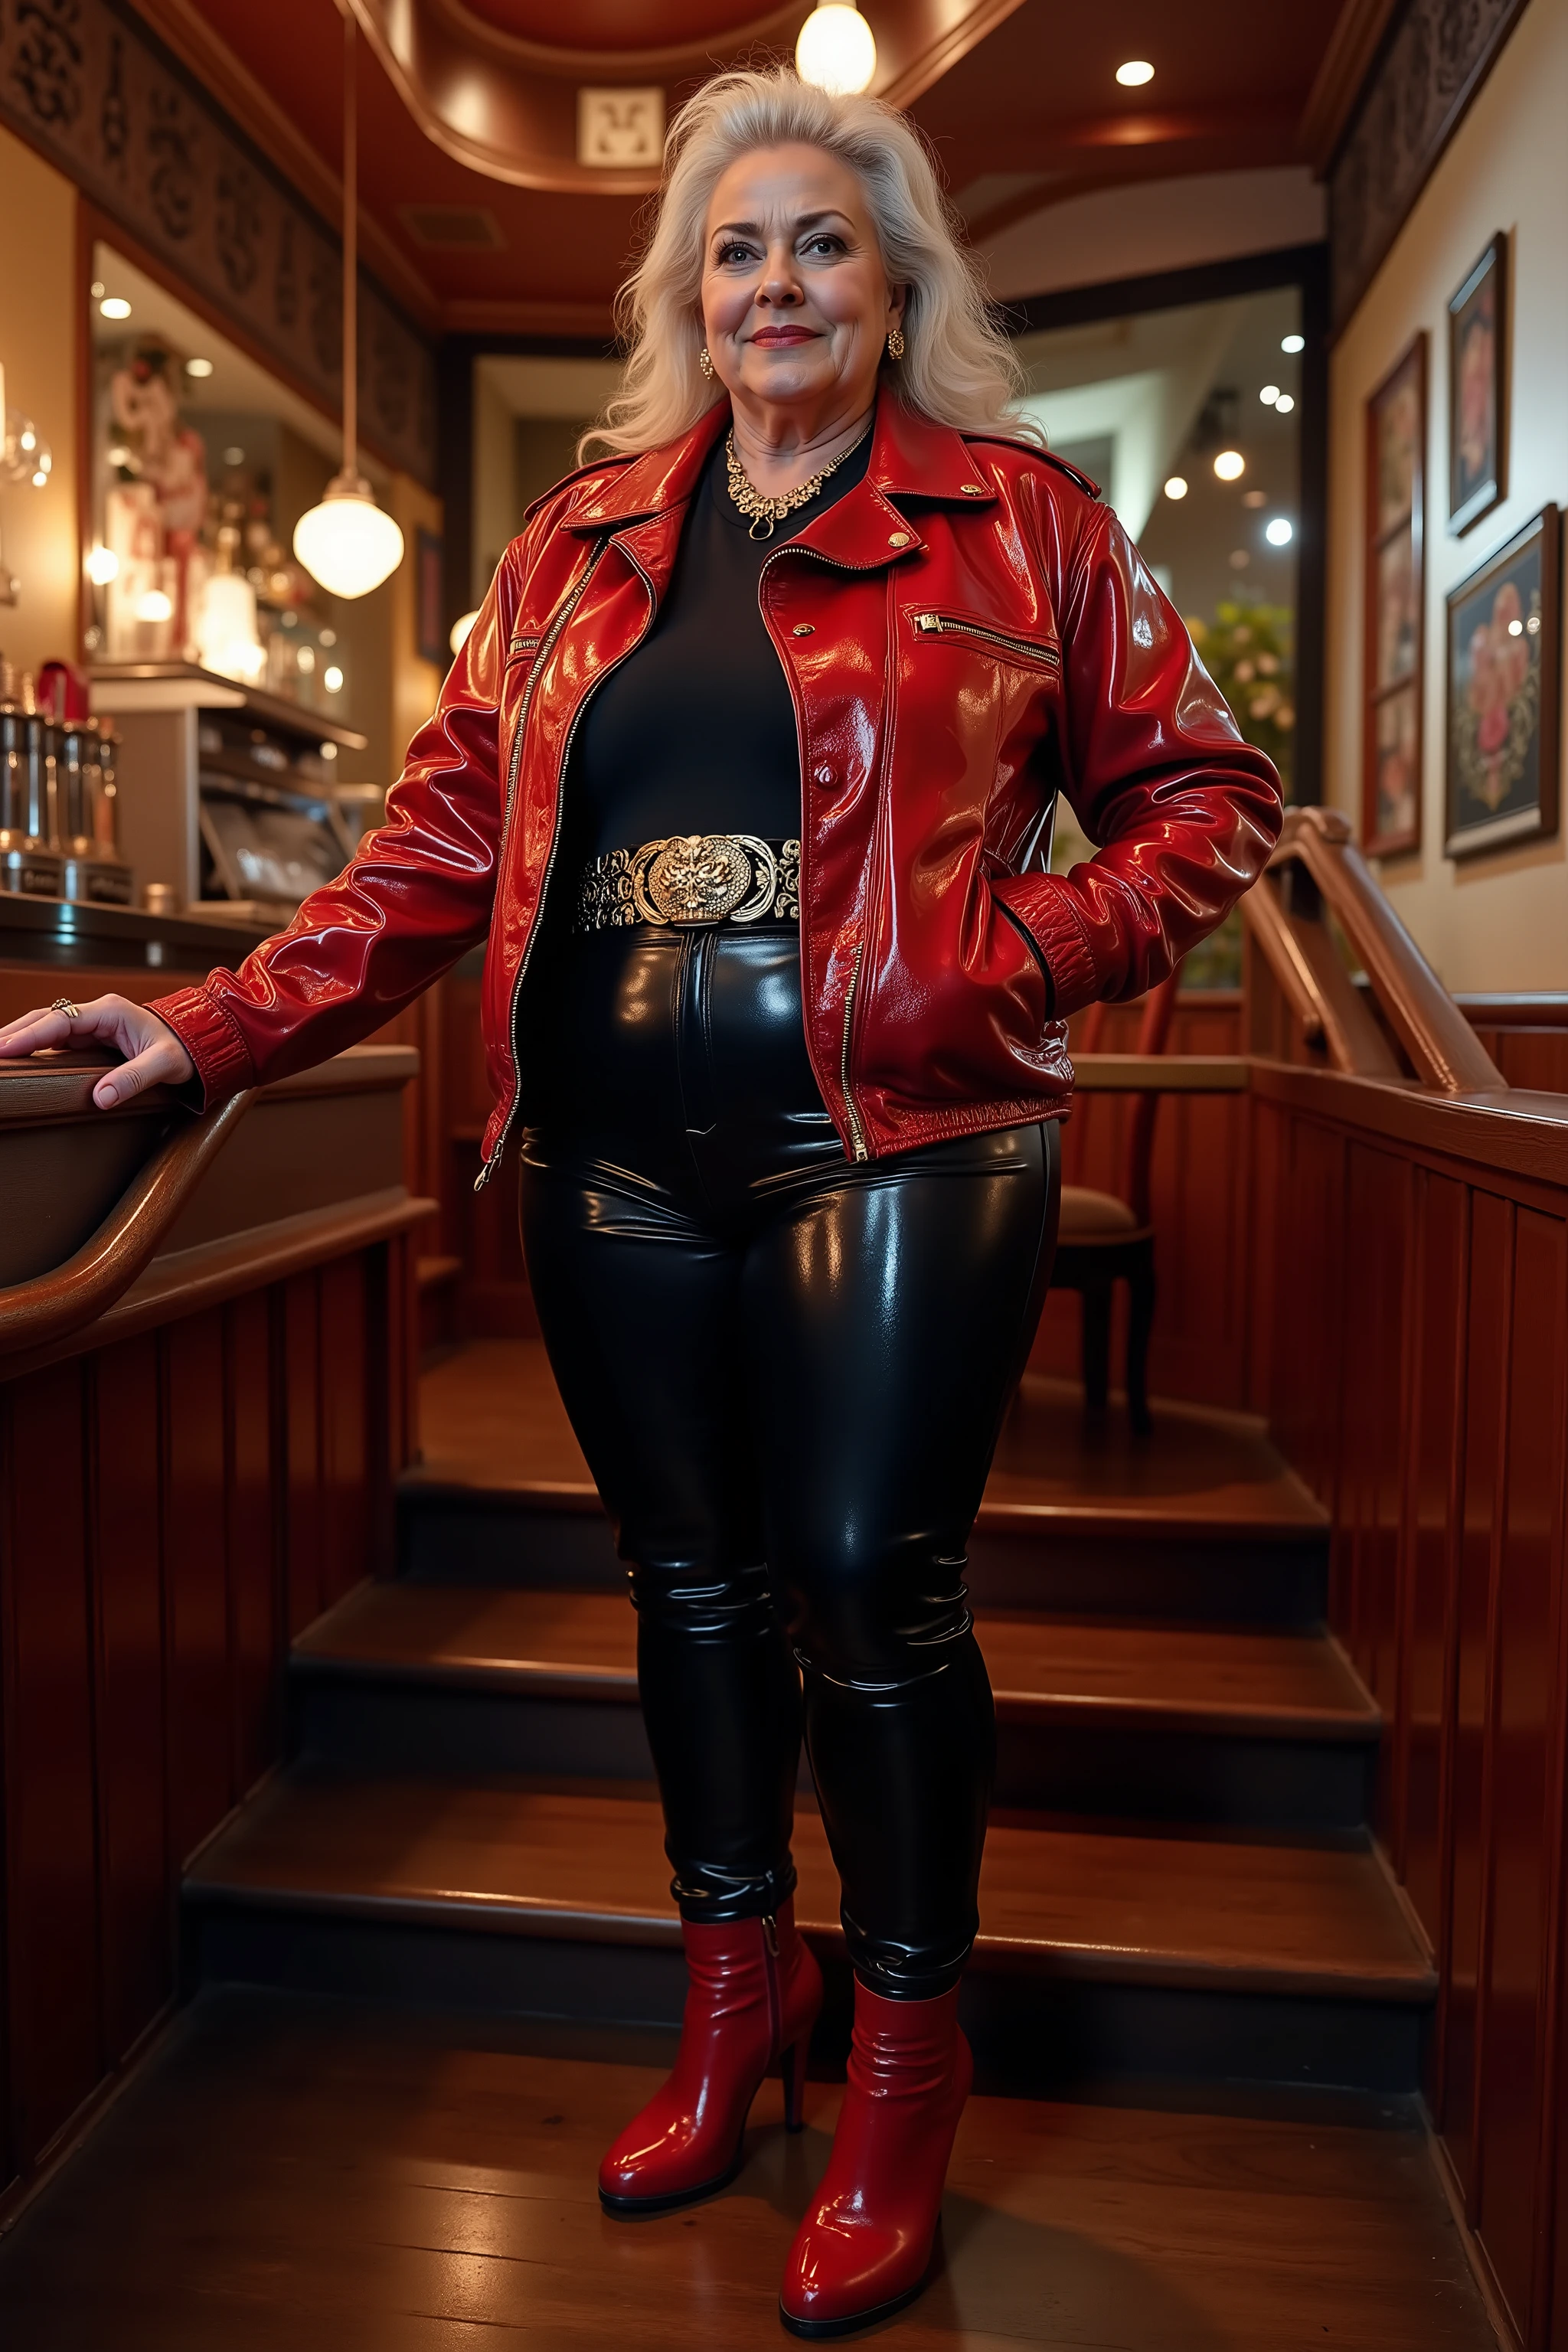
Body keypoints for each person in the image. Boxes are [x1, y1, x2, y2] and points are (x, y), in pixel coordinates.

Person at [1, 67, 1282, 2339]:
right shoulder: (572, 546)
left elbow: (1206, 803)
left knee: (869, 1584)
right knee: (690, 1587)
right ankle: (730, 2003)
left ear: (894, 293)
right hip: (606, 1149)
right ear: (692, 296)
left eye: (822, 247)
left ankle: (904, 2049)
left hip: (899, 1130)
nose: (776, 283)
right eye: (736, 250)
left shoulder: (1023, 528)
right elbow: (428, 856)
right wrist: (203, 1028)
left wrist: (1013, 954)